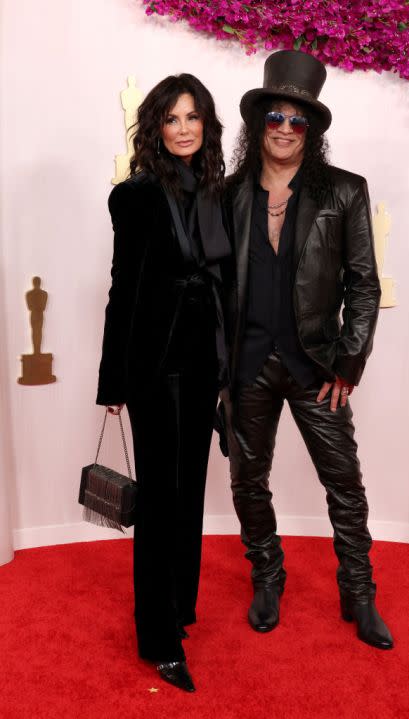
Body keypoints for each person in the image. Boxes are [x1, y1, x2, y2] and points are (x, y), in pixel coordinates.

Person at [222, 50, 393, 649]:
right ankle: (267, 576)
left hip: (317, 365)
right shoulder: (229, 195)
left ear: (313, 130)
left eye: (299, 121)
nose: (287, 130)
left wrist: (350, 361)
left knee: (343, 481)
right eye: (276, 117)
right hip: (245, 368)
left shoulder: (344, 193)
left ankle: (359, 592)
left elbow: (363, 283)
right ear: (259, 122)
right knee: (248, 479)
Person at [96, 73, 230, 692]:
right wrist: (113, 380)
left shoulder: (215, 193)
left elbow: (225, 283)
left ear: (207, 125)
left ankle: (179, 604)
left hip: (204, 365)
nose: (183, 129)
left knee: (191, 491)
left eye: (192, 117)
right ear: (156, 127)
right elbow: (123, 289)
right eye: (172, 119)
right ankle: (158, 638)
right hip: (153, 367)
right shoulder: (136, 196)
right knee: (159, 500)